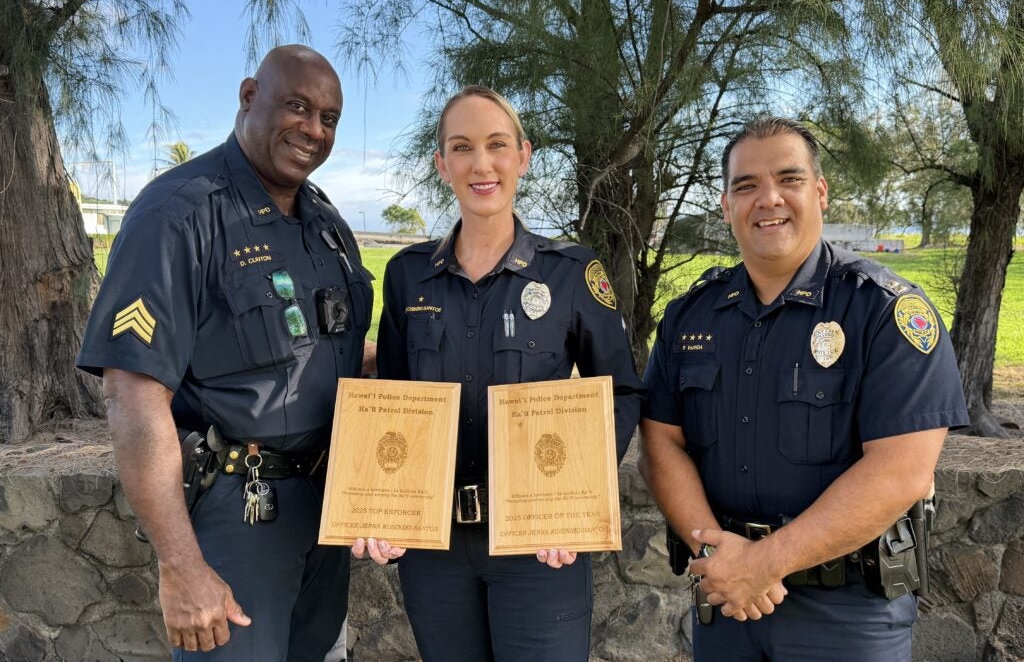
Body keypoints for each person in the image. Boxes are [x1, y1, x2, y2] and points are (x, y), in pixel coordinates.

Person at [76, 45, 386, 660]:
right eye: (297, 106)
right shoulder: (178, 214)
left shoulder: (323, 222)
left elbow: (338, 355)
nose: (314, 129)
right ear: (249, 96)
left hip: (326, 514)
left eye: (329, 118)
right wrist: (181, 568)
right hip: (239, 516)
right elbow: (132, 396)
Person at [639, 117, 969, 661]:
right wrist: (717, 554)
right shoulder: (689, 316)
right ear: (726, 207)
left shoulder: (884, 311)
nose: (767, 199)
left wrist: (762, 565)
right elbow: (660, 443)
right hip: (726, 603)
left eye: (788, 179)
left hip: (848, 613)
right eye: (745, 186)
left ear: (820, 192)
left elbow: (902, 470)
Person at [375, 85, 644, 661]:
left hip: (538, 546)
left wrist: (578, 502)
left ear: (523, 156)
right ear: (441, 163)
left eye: (498, 145)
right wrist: (383, 504)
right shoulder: (406, 277)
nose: (482, 163)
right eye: (462, 147)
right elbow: (392, 401)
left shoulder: (571, 273)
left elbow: (619, 391)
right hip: (435, 548)